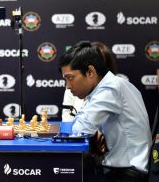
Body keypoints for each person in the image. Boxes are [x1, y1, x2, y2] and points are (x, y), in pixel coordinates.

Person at [59, 41, 152, 181]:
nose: (68, 86)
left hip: (127, 174)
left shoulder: (110, 89)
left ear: (90, 72)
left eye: (70, 78)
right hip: (121, 169)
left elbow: (80, 128)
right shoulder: (110, 86)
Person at [62, 41, 117, 122]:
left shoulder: (110, 89)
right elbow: (67, 119)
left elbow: (86, 127)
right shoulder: (73, 87)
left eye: (99, 63)